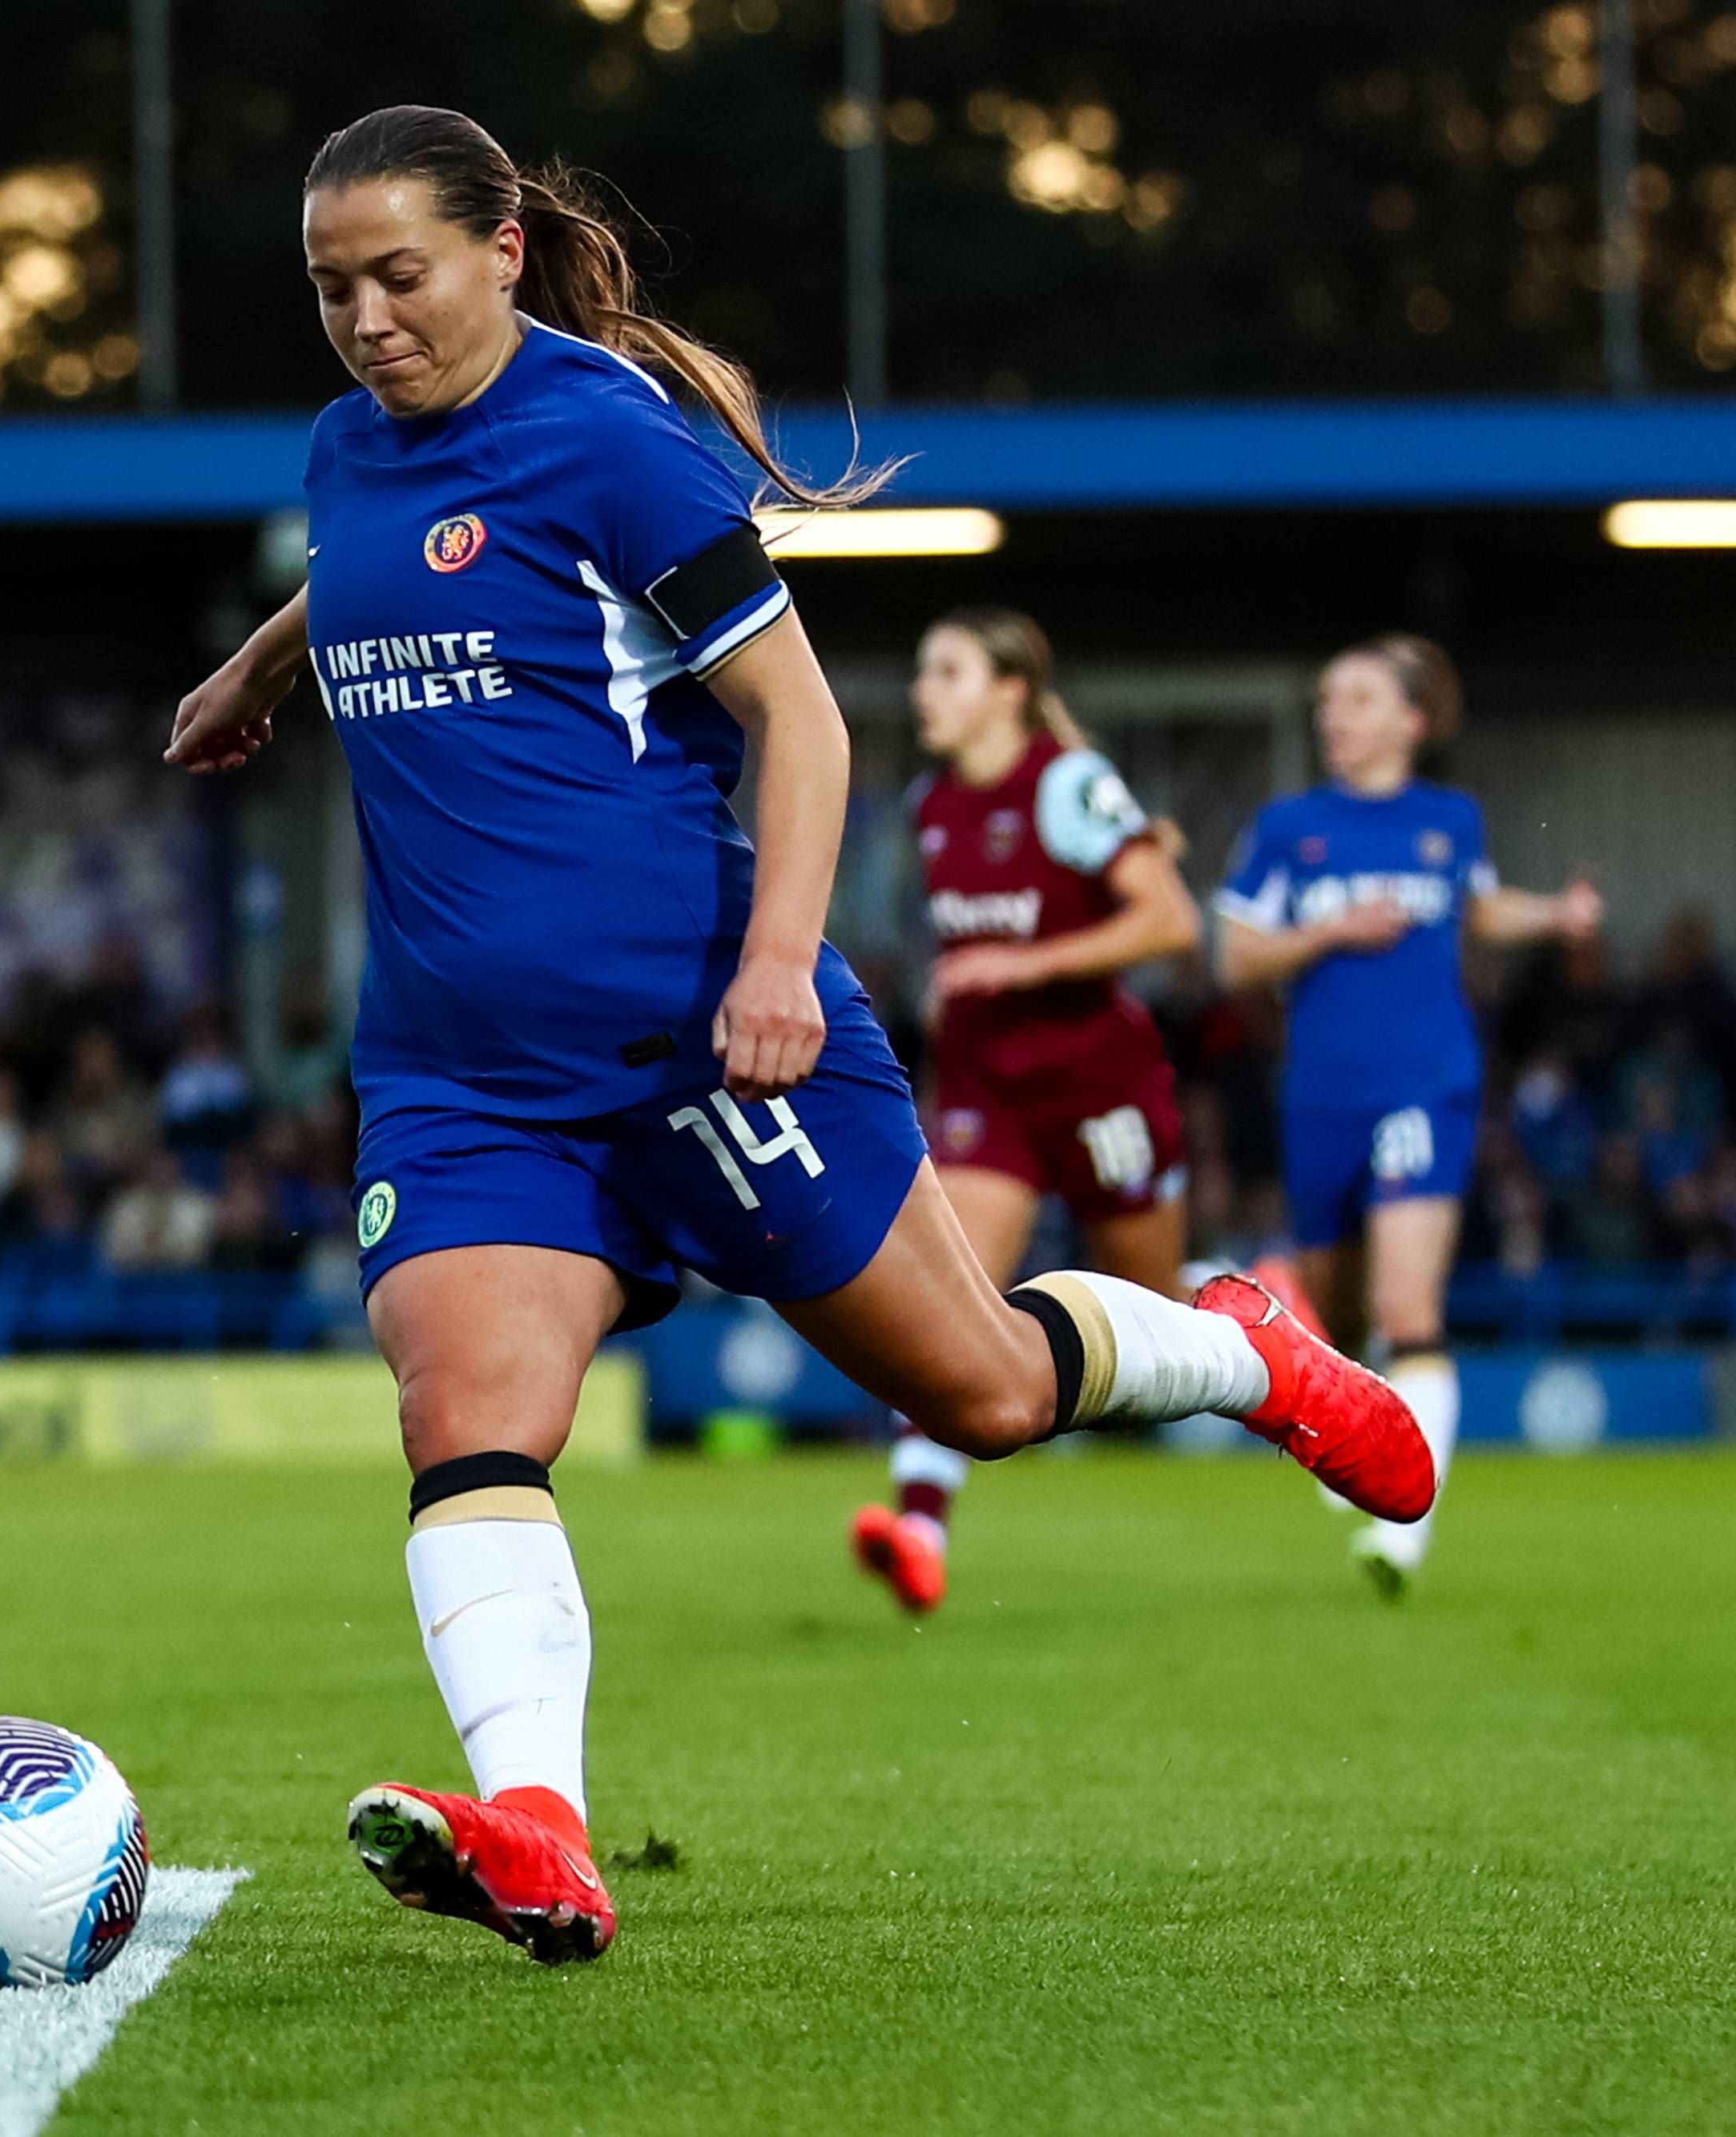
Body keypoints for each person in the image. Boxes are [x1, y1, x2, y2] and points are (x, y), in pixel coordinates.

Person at [163, 104, 1432, 1966]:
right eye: (329, 288)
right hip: (458, 1079)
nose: (363, 320)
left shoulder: (610, 442)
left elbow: (804, 723)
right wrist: (260, 666)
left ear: (502, 248)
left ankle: (1243, 1348)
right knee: (467, 1414)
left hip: (704, 1039)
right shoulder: (349, 450)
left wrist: (776, 964)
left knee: (986, 1393)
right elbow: (392, 555)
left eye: (397, 275)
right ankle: (539, 1825)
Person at [1214, 635, 1600, 1599]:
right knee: (1337, 1319)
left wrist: (1554, 915)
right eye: (1326, 698)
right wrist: (1328, 932)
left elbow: (1477, 910)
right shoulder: (1287, 827)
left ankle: (1405, 1528)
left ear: (1409, 721)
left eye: (1354, 698)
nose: (1331, 714)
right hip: (1319, 1097)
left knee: (1405, 1310)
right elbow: (1235, 959)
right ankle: (1355, 1445)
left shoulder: (1449, 821)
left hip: (1426, 1082)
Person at [848, 610, 1202, 1615]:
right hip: (985, 1090)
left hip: (1098, 1086)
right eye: (922, 670)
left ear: (1008, 688)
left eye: (947, 670)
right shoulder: (928, 804)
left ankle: (1260, 1308)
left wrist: (1023, 963)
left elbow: (1171, 921)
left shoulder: (1066, 784)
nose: (925, 690)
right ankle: (919, 1528)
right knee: (943, 1307)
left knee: (1161, 1322)